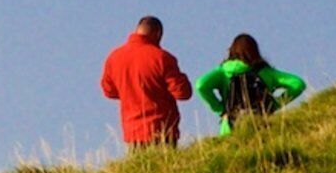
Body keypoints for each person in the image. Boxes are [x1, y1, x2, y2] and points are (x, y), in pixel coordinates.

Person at [101, 14, 196, 148]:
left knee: (139, 168)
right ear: (158, 34)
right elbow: (183, 93)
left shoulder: (114, 57)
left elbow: (109, 91)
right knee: (165, 168)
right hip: (162, 129)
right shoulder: (162, 58)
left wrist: (130, 91)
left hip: (132, 132)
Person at [199, 33, 306, 127]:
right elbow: (298, 84)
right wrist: (275, 104)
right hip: (262, 125)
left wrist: (220, 109)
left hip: (230, 127)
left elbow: (201, 85)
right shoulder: (266, 72)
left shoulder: (223, 71)